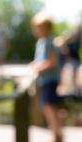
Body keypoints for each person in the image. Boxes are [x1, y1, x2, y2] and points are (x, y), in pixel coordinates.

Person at [31, 12, 63, 142]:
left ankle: (57, 135)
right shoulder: (41, 42)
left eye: (40, 28)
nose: (38, 30)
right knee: (47, 106)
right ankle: (56, 133)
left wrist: (39, 68)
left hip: (50, 80)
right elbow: (40, 60)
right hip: (44, 80)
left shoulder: (49, 41)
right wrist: (34, 65)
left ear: (48, 28)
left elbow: (52, 62)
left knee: (49, 106)